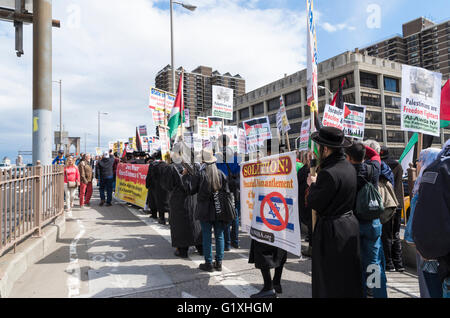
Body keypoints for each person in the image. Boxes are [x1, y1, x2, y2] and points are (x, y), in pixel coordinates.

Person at [307, 127, 363, 298]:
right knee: (347, 277)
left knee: (329, 278)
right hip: (349, 226)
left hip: (332, 231)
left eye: (319, 147)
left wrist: (312, 185)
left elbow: (315, 202)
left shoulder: (328, 173)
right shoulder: (348, 167)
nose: (317, 151)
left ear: (326, 149)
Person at [346, 141, 388, 298]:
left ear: (348, 157)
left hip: (352, 223)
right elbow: (375, 155)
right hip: (372, 223)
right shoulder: (374, 168)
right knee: (373, 264)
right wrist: (362, 147)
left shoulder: (346, 172)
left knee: (355, 265)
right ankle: (378, 294)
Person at [248, 138, 287, 299]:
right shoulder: (285, 167)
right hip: (281, 215)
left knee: (263, 250)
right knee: (279, 249)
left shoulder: (266, 168)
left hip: (267, 215)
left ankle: (268, 286)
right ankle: (276, 282)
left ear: (269, 152)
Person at [182, 149, 231, 273]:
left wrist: (186, 175)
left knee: (207, 236)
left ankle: (208, 263)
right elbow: (227, 192)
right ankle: (219, 262)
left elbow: (190, 190)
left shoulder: (200, 174)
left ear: (203, 160)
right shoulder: (220, 173)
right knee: (219, 235)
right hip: (219, 209)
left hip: (204, 210)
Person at [405, 147, 443, 298]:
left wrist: (411, 238)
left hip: (426, 248)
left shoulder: (424, 184)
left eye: (420, 159)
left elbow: (415, 219)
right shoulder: (441, 181)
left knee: (429, 286)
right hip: (441, 246)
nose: (417, 163)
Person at [160, 142, 203, 258]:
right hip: (194, 199)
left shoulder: (172, 167)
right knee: (195, 223)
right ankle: (201, 248)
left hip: (178, 201)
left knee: (180, 225)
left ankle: (182, 250)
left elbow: (166, 186)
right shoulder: (195, 165)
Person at [380, 146, 405, 272]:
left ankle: (389, 264)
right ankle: (399, 264)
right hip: (398, 203)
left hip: (387, 204)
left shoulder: (380, 167)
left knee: (386, 235)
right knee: (396, 234)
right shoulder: (398, 165)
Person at [215, 135, 241, 250]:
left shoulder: (218, 156)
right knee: (235, 215)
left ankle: (227, 243)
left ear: (221, 142)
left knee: (225, 215)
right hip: (235, 189)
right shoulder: (236, 156)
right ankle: (235, 241)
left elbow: (217, 174)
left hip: (223, 189)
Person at [145, 151, 170, 224]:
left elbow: (149, 176)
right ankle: (170, 219)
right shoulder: (167, 165)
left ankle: (160, 218)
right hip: (165, 186)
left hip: (155, 187)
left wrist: (147, 184)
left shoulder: (152, 165)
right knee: (167, 202)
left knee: (156, 202)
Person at [298, 151, 312, 257]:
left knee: (312, 225)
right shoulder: (303, 170)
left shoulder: (318, 169)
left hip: (311, 201)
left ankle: (312, 248)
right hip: (304, 200)